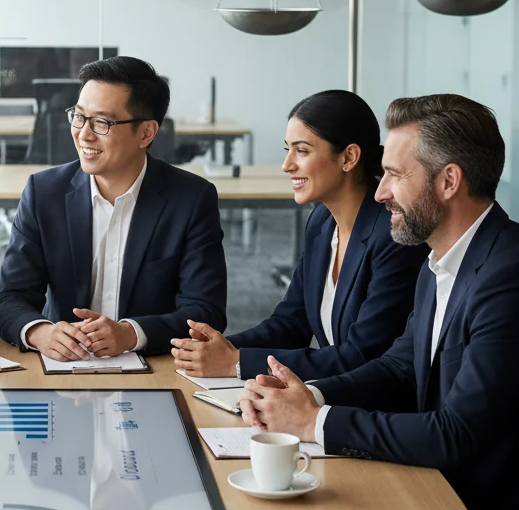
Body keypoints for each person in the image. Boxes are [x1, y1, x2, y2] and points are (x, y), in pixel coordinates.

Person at [237, 94, 519, 510]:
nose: (382, 191)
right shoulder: (441, 261)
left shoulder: (507, 275)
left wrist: (315, 421)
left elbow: (455, 434)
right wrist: (307, 396)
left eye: (393, 174)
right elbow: (397, 366)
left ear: (448, 181)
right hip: (434, 498)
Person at [172, 90, 427, 381]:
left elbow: (363, 355)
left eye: (302, 151)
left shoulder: (392, 235)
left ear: (349, 157)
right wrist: (224, 347)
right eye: (287, 150)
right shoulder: (321, 220)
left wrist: (237, 362)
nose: (287, 165)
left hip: (373, 408)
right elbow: (291, 322)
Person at [0, 56, 227, 359]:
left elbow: (206, 312)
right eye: (78, 117)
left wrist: (131, 334)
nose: (84, 134)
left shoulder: (191, 200)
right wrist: (40, 332)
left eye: (102, 122)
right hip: (65, 368)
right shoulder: (44, 192)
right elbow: (9, 298)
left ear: (146, 133)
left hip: (153, 365)